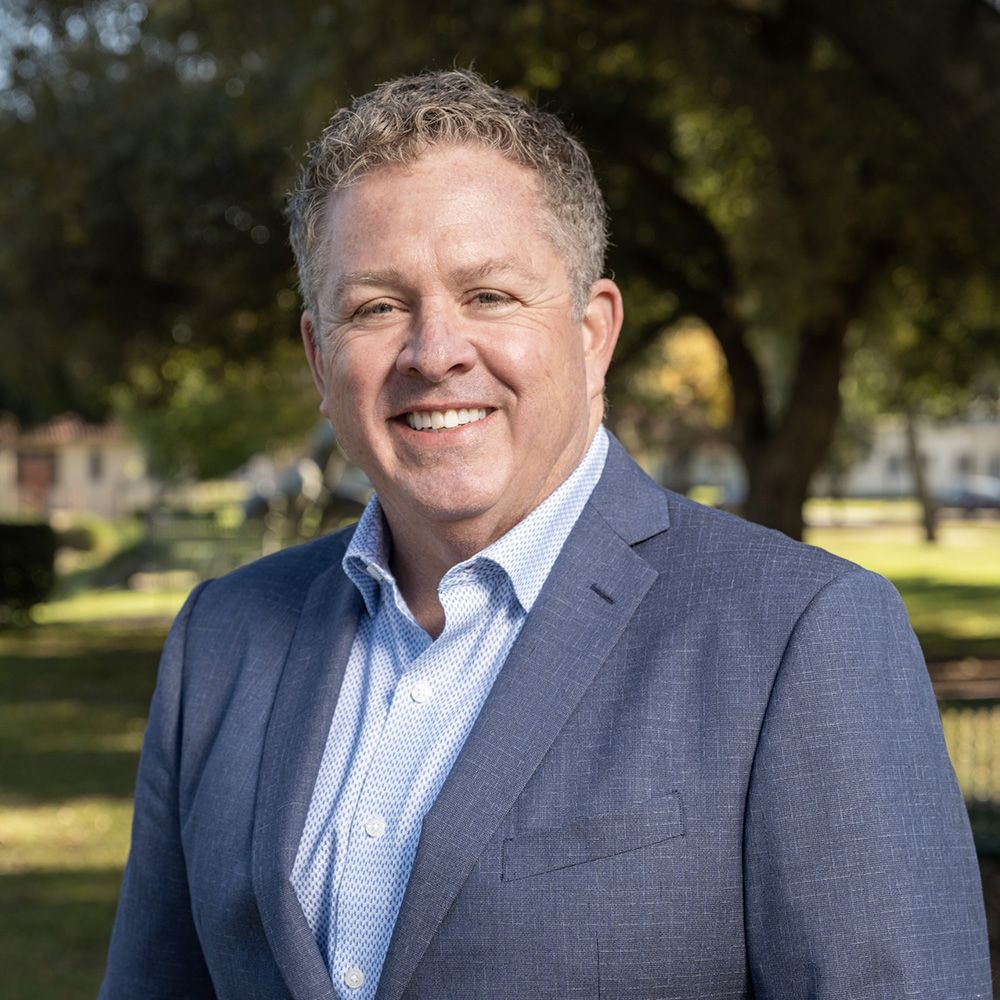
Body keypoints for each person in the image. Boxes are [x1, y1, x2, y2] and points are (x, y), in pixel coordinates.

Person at [100, 69, 991, 1000]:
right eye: (375, 306)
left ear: (593, 332)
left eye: (489, 295)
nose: (434, 350)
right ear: (321, 360)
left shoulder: (799, 636)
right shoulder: (222, 639)